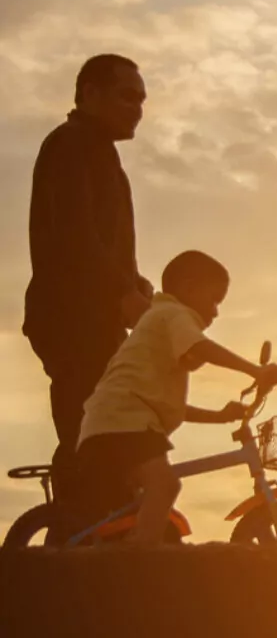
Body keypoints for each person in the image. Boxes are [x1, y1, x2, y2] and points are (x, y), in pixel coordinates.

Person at [23, 54, 154, 529]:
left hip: (97, 317)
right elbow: (75, 234)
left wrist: (139, 288)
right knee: (89, 427)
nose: (137, 108)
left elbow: (109, 243)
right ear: (89, 94)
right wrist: (124, 292)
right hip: (71, 317)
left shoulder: (101, 152)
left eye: (141, 99)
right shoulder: (71, 145)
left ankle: (95, 529)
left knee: (104, 422)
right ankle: (74, 536)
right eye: (126, 96)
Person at [76, 251, 277, 546]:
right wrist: (255, 370)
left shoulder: (160, 324)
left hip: (115, 421)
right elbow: (201, 347)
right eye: (213, 300)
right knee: (165, 485)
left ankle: (130, 546)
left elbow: (169, 405)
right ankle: (138, 558)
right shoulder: (174, 315)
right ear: (187, 289)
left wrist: (219, 416)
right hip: (123, 422)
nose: (215, 312)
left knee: (145, 500)